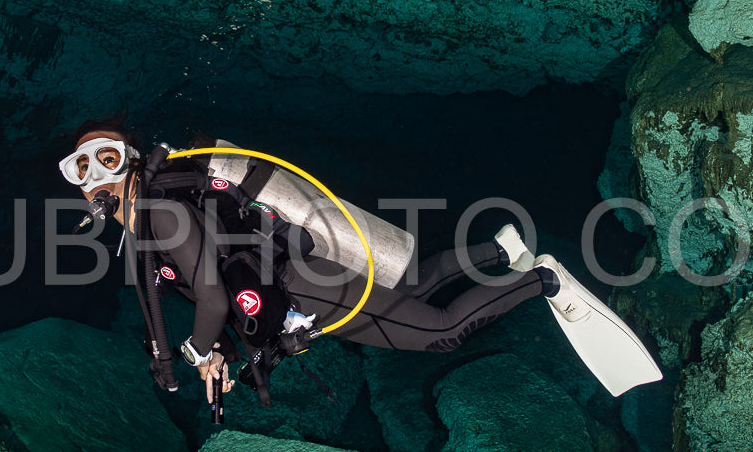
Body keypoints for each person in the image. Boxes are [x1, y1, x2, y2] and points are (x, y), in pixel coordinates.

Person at [57, 116, 607, 401]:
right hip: (292, 278)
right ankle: (502, 248)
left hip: (301, 284)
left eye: (105, 158)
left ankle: (544, 279)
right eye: (81, 169)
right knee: (412, 285)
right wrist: (221, 351)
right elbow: (217, 279)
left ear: (129, 160)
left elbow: (212, 295)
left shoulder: (162, 214)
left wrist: (199, 352)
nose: (95, 177)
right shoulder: (152, 221)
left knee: (442, 331)